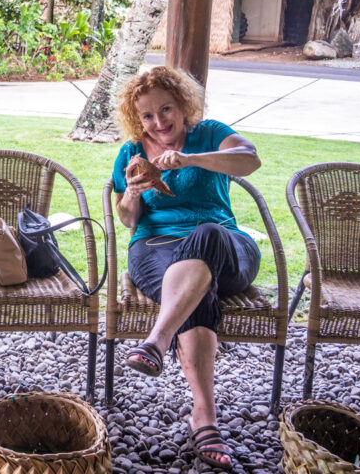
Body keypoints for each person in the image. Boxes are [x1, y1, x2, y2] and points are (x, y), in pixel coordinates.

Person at [111, 65, 261, 471]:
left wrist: (190, 158)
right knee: (195, 289)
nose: (158, 122)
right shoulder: (131, 154)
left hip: (225, 246)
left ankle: (157, 341)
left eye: (166, 109)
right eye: (147, 115)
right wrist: (133, 196)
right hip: (155, 248)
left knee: (207, 234)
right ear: (136, 118)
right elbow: (127, 220)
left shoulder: (209, 133)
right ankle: (204, 417)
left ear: (182, 105)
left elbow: (250, 160)